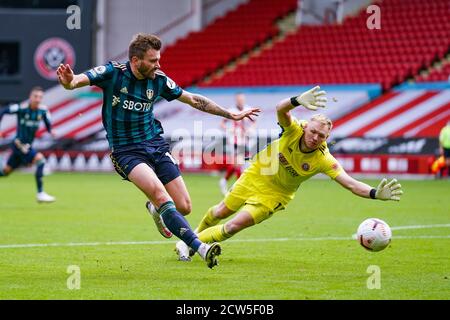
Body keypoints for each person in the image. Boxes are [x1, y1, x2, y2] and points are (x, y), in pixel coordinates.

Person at [56, 33, 260, 269]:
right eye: (153, 60)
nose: (158, 64)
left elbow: (192, 99)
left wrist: (230, 114)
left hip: (155, 144)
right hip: (126, 151)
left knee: (184, 206)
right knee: (162, 196)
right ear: (135, 60)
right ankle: (200, 248)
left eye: (158, 59)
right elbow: (77, 81)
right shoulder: (113, 73)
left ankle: (154, 208)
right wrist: (69, 81)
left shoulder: (159, 80)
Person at [174, 86, 404, 260]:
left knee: (234, 225)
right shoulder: (294, 130)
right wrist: (297, 100)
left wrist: (375, 193)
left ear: (326, 139)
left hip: (275, 195)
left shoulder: (323, 159)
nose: (315, 138)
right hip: (258, 173)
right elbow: (281, 109)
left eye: (321, 136)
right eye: (313, 132)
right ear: (306, 128)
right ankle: (194, 238)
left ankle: (190, 244)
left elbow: (351, 184)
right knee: (222, 210)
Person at [0, 87, 56, 203]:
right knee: (40, 160)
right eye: (35, 96)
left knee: (6, 172)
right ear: (30, 97)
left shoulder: (43, 111)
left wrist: (50, 131)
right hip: (19, 144)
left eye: (40, 97)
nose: (37, 99)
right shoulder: (21, 108)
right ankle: (40, 193)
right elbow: (3, 111)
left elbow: (47, 122)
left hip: (26, 145)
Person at [219, 93, 256, 195]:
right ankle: (240, 188)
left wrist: (251, 129)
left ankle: (224, 181)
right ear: (236, 100)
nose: (241, 101)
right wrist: (229, 130)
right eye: (239, 99)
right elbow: (222, 124)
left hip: (245, 140)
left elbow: (254, 123)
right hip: (235, 141)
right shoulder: (231, 111)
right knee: (240, 163)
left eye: (242, 99)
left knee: (238, 164)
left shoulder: (248, 109)